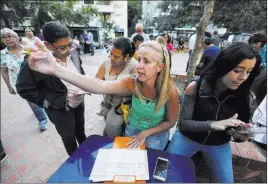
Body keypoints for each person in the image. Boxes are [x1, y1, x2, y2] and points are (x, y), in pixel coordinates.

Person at [27, 41, 179, 151]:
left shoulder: (169, 91)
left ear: (160, 67)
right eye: (139, 60)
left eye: (147, 62)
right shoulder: (131, 83)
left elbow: (171, 122)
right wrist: (56, 69)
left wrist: (145, 134)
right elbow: (100, 85)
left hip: (155, 135)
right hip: (132, 130)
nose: (139, 66)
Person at [167, 42, 261, 183]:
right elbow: (183, 124)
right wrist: (213, 124)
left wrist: (241, 133)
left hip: (218, 144)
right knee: (163, 175)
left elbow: (237, 126)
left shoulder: (243, 95)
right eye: (237, 70)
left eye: (248, 72)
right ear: (223, 66)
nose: (243, 77)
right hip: (188, 138)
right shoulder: (196, 87)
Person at [16, 21, 87, 156]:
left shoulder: (73, 52)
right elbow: (23, 88)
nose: (68, 51)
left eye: (69, 45)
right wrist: (49, 104)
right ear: (48, 45)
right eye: (62, 47)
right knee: (69, 138)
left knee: (81, 132)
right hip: (60, 111)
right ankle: (74, 161)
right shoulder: (36, 61)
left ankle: (86, 154)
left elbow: (79, 70)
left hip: (79, 104)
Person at [0, 28, 48, 131]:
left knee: (45, 97)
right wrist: (9, 87)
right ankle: (42, 119)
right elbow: (4, 71)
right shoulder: (2, 55)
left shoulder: (28, 48)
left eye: (9, 36)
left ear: (16, 37)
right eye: (4, 37)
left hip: (38, 79)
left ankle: (47, 109)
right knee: (33, 103)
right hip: (23, 85)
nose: (7, 39)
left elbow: (43, 59)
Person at [96, 37, 137, 138]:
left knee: (111, 127)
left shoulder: (134, 67)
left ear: (126, 56)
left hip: (123, 106)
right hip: (107, 103)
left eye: (116, 56)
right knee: (107, 130)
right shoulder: (106, 63)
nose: (111, 58)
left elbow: (135, 91)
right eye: (111, 54)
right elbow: (96, 82)